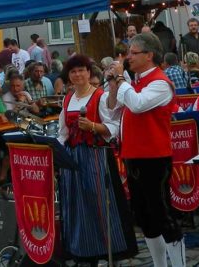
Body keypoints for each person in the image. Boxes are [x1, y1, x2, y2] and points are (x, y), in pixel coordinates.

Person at [106, 33, 185, 267]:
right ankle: (160, 264)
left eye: (133, 52)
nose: (128, 57)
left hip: (154, 158)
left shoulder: (160, 82)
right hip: (133, 155)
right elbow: (112, 109)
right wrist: (114, 85)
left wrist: (121, 79)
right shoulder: (135, 82)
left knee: (162, 215)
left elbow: (138, 105)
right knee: (143, 216)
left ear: (149, 55)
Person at [57, 54, 137, 262]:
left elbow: (114, 128)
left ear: (89, 73)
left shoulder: (100, 96)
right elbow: (63, 132)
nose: (77, 75)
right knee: (75, 204)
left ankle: (105, 249)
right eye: (73, 72)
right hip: (71, 159)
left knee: (98, 202)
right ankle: (81, 249)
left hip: (95, 156)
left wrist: (92, 126)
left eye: (81, 70)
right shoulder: (67, 99)